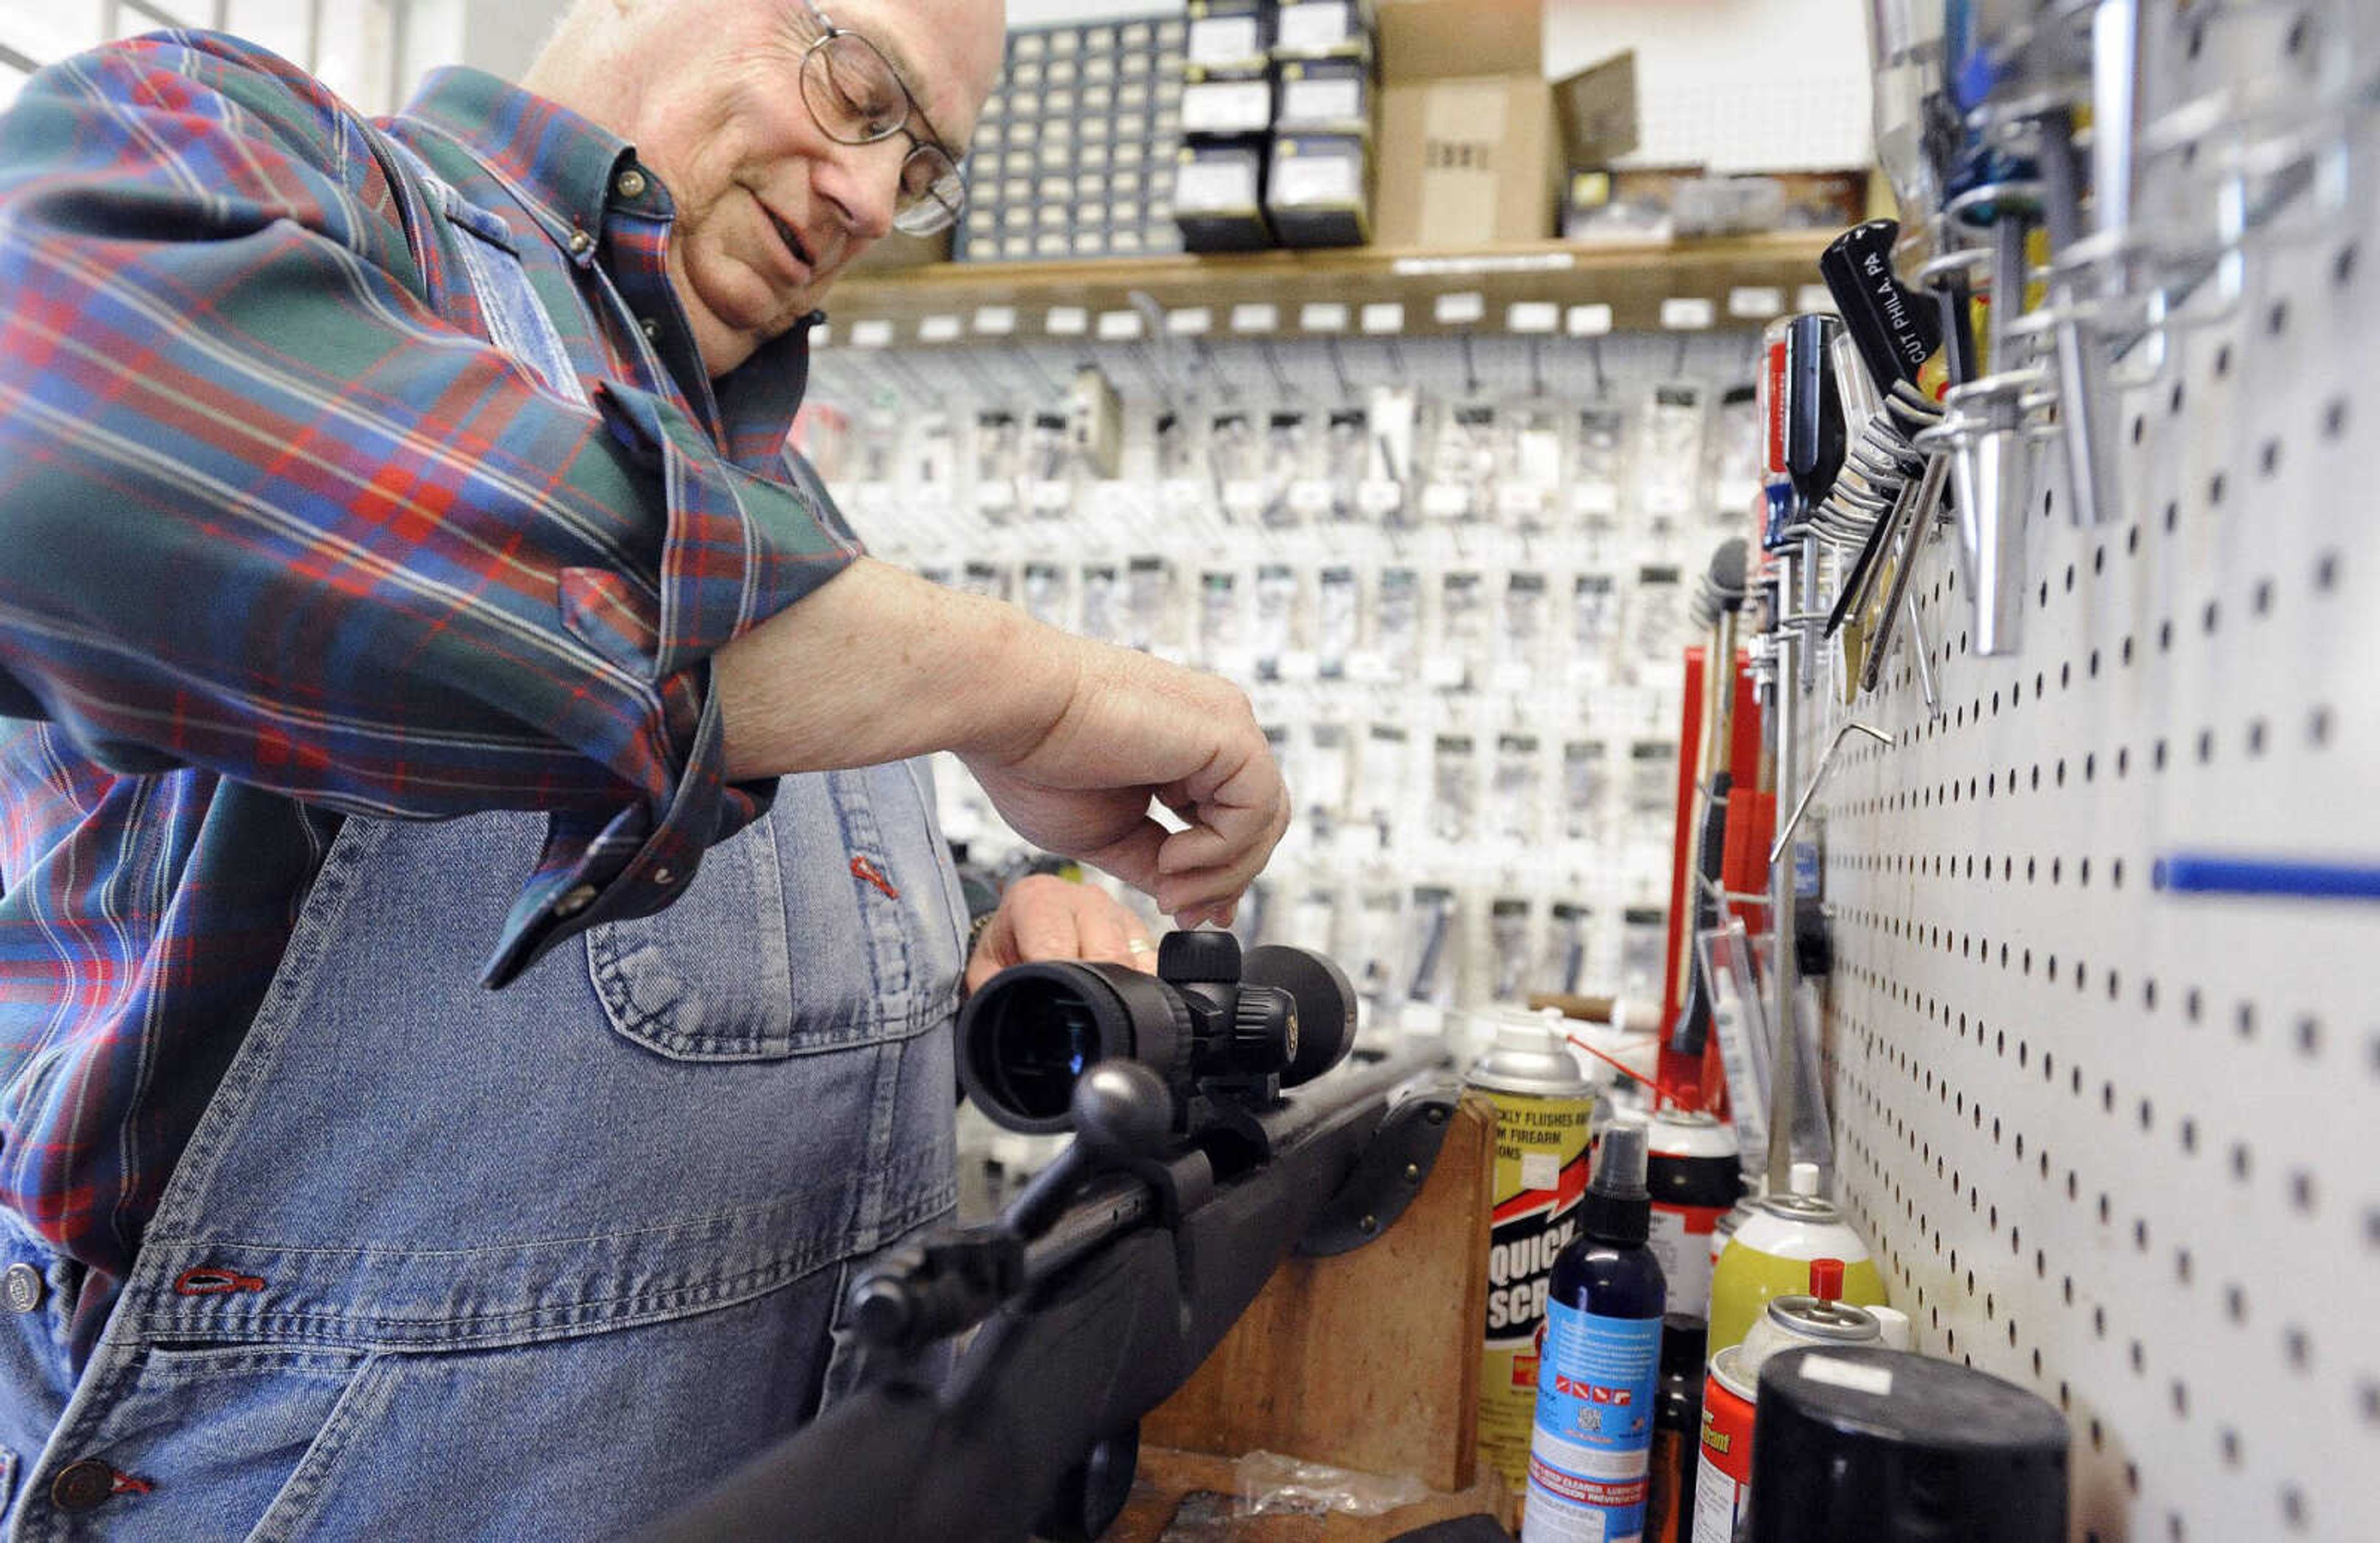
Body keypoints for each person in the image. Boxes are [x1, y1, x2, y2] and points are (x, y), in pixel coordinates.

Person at [0, 0, 1287, 1534]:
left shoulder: (772, 492)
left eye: (922, 162)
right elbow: (63, 428)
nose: (874, 200)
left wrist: (966, 939)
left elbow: (694, 946)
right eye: (860, 91)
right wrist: (1037, 692)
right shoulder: (258, 161)